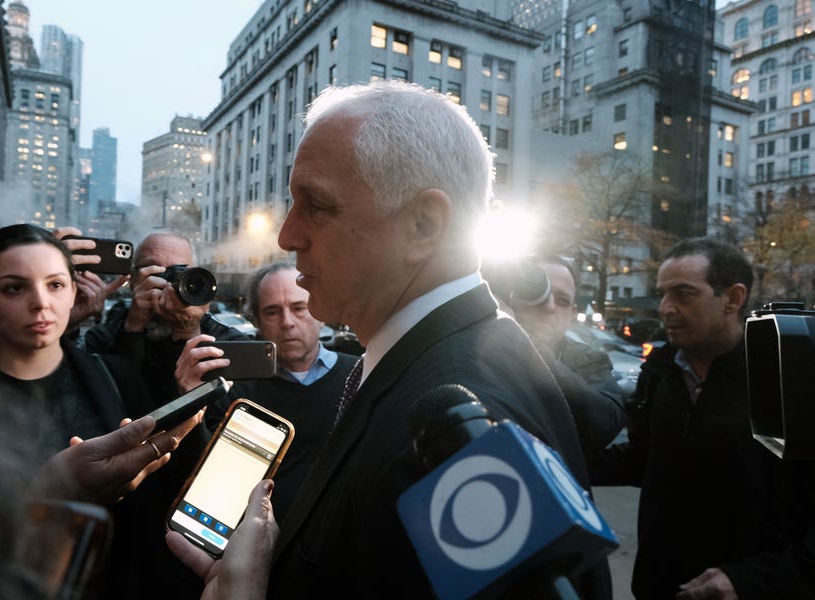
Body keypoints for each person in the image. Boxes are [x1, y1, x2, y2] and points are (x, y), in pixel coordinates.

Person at [194, 80, 608, 598]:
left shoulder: (462, 413)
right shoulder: (448, 363)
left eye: (316, 205)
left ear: (423, 224)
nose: (287, 235)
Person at [0, 223, 204, 598]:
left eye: (55, 284)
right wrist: (45, 496)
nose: (40, 302)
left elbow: (170, 487)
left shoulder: (114, 373)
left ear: (74, 292)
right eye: (14, 287)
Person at [591, 237, 815, 599]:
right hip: (660, 586)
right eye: (662, 294)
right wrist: (556, 456)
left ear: (733, 298)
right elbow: (644, 457)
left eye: (683, 294)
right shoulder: (661, 372)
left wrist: (754, 580)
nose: (665, 308)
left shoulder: (789, 375)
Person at [174, 261, 359, 521]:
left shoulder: (361, 377)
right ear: (257, 322)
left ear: (320, 313)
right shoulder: (233, 390)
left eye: (299, 308)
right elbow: (205, 478)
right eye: (272, 312)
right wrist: (192, 403)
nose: (287, 322)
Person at [82, 229, 248, 403]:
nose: (168, 283)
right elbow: (109, 404)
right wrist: (132, 329)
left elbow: (224, 418)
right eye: (155, 272)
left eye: (179, 272)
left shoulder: (229, 343)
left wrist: (189, 332)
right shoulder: (101, 339)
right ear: (132, 281)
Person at [502, 255, 627, 458]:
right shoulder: (481, 349)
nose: (549, 307)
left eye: (562, 301)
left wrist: (536, 354)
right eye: (537, 292)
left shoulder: (589, 359)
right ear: (511, 299)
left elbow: (605, 425)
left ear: (572, 314)